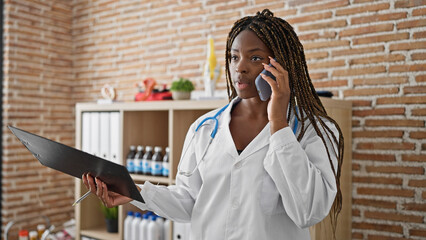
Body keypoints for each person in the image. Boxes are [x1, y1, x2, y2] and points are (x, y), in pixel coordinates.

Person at [83, 9, 344, 240]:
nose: (239, 68)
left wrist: (278, 123)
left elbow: (308, 212)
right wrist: (136, 193)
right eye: (233, 57)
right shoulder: (205, 128)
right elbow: (189, 201)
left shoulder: (314, 131)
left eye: (254, 58)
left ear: (281, 65)